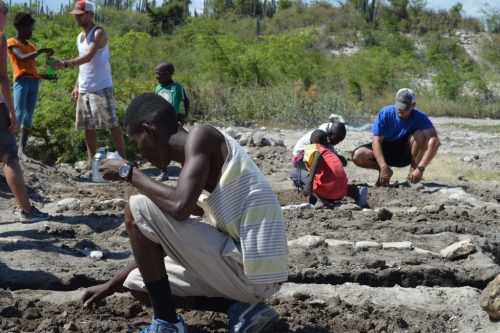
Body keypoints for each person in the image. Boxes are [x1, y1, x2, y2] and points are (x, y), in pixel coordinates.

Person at [81, 93, 288, 333]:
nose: (140, 152)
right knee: (137, 283)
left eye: (136, 143)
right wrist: (111, 285)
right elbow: (163, 237)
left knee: (136, 206)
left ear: (149, 131)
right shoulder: (194, 174)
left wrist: (129, 172)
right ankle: (242, 310)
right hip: (245, 271)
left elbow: (179, 208)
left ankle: (167, 324)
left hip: (255, 274)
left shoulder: (203, 136)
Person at [53, 0, 126, 165]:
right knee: (88, 127)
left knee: (111, 124)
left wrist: (64, 64)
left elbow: (88, 57)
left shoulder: (98, 33)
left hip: (101, 86)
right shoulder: (79, 37)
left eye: (80, 15)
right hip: (85, 87)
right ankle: (92, 161)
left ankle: (124, 159)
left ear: (90, 14)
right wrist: (77, 85)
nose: (77, 18)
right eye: (76, 15)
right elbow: (84, 66)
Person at [0, 1, 49, 223]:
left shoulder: (28, 42)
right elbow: (5, 74)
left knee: (27, 117)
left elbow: (31, 65)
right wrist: (10, 110)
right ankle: (26, 210)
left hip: (32, 81)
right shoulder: (5, 39)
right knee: (10, 157)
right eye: (3, 14)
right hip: (8, 95)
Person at [352, 88, 440, 186]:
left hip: (404, 154)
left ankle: (412, 178)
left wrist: (421, 167)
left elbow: (435, 141)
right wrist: (383, 166)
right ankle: (385, 172)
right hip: (385, 151)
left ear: (413, 105)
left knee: (420, 134)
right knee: (358, 155)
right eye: (399, 106)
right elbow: (376, 141)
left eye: (404, 107)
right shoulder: (385, 113)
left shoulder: (420, 117)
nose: (400, 109)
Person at [7, 12, 54, 160]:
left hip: (33, 82)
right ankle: (9, 147)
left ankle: (21, 151)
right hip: (21, 82)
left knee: (28, 117)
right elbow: (21, 58)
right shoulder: (12, 43)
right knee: (18, 114)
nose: (31, 31)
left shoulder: (31, 45)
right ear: (21, 27)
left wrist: (47, 76)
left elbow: (32, 70)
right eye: (30, 28)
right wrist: (40, 51)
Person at [302, 129, 368, 209]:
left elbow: (318, 155)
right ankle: (355, 192)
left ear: (311, 141)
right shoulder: (329, 152)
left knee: (297, 174)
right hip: (341, 193)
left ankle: (321, 201)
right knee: (334, 181)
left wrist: (309, 183)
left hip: (327, 192)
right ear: (326, 143)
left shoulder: (313, 147)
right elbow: (344, 162)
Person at [154, 62, 190, 182]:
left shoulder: (177, 87)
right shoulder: (157, 88)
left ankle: (186, 171)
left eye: (159, 73)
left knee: (181, 145)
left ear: (168, 74)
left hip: (173, 122)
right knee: (161, 147)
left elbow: (186, 100)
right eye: (156, 73)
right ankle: (163, 171)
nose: (156, 76)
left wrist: (185, 114)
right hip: (160, 123)